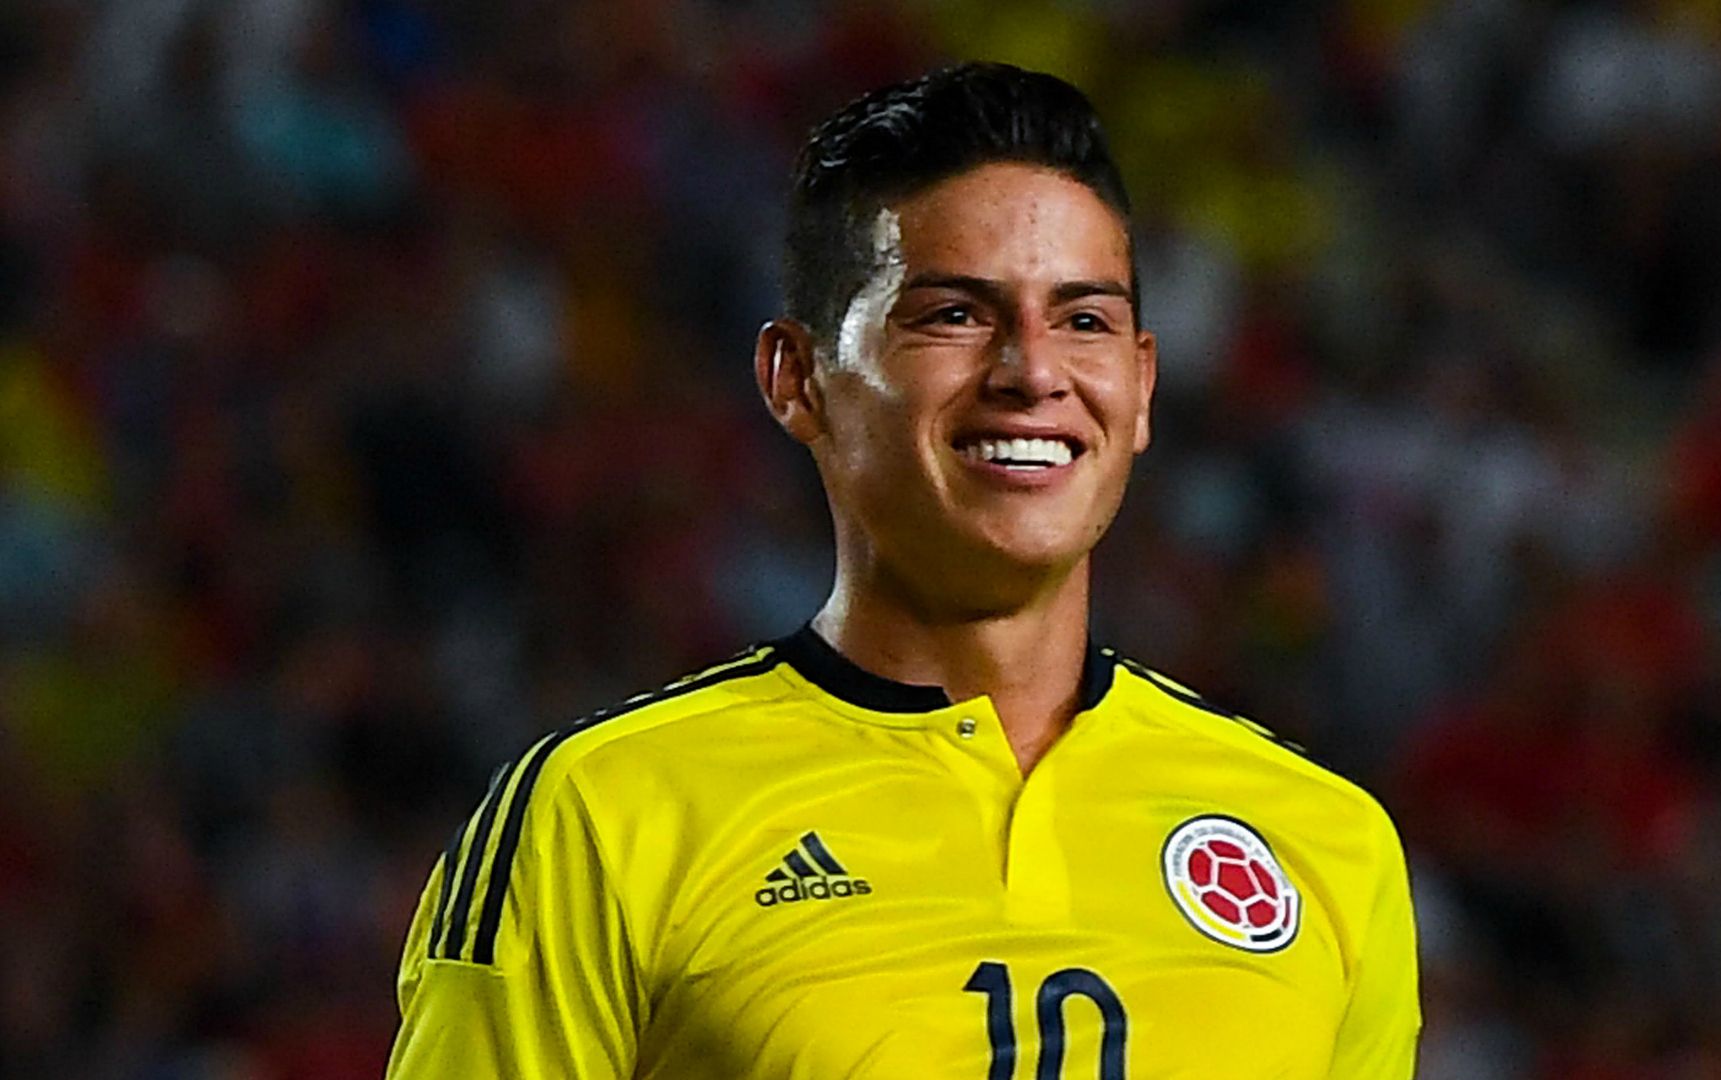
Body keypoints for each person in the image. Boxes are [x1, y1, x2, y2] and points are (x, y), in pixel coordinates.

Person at [386, 62, 1419, 1078]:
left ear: (1141, 387)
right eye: (954, 315)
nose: (1033, 372)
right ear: (798, 380)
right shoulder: (601, 817)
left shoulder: (1324, 839)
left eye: (1084, 320)